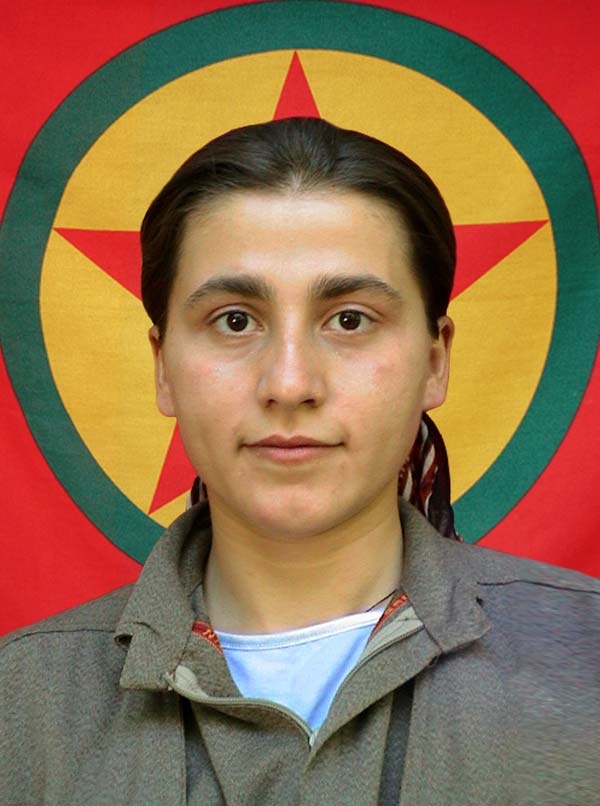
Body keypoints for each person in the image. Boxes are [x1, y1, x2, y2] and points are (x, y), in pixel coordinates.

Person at [1, 117, 599, 805]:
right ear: (163, 367)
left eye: (350, 319)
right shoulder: (22, 704)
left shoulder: (587, 660)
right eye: (234, 320)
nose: (289, 384)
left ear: (435, 362)